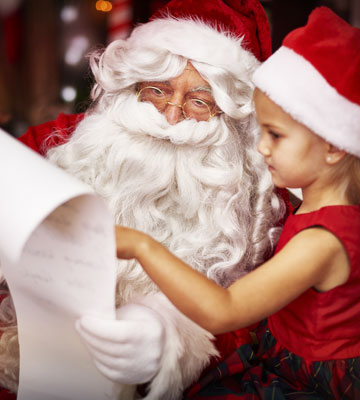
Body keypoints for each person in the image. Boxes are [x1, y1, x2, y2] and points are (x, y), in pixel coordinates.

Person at [0, 1, 290, 399]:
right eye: (157, 90)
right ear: (131, 87)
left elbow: (268, 315)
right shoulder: (64, 143)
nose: (171, 116)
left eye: (199, 102)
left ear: (230, 115)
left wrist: (171, 336)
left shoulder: (259, 203)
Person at [109, 7, 360, 399]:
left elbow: (224, 309)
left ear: (333, 147)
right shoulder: (358, 216)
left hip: (309, 380)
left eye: (276, 135)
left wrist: (142, 247)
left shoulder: (319, 242)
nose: (260, 147)